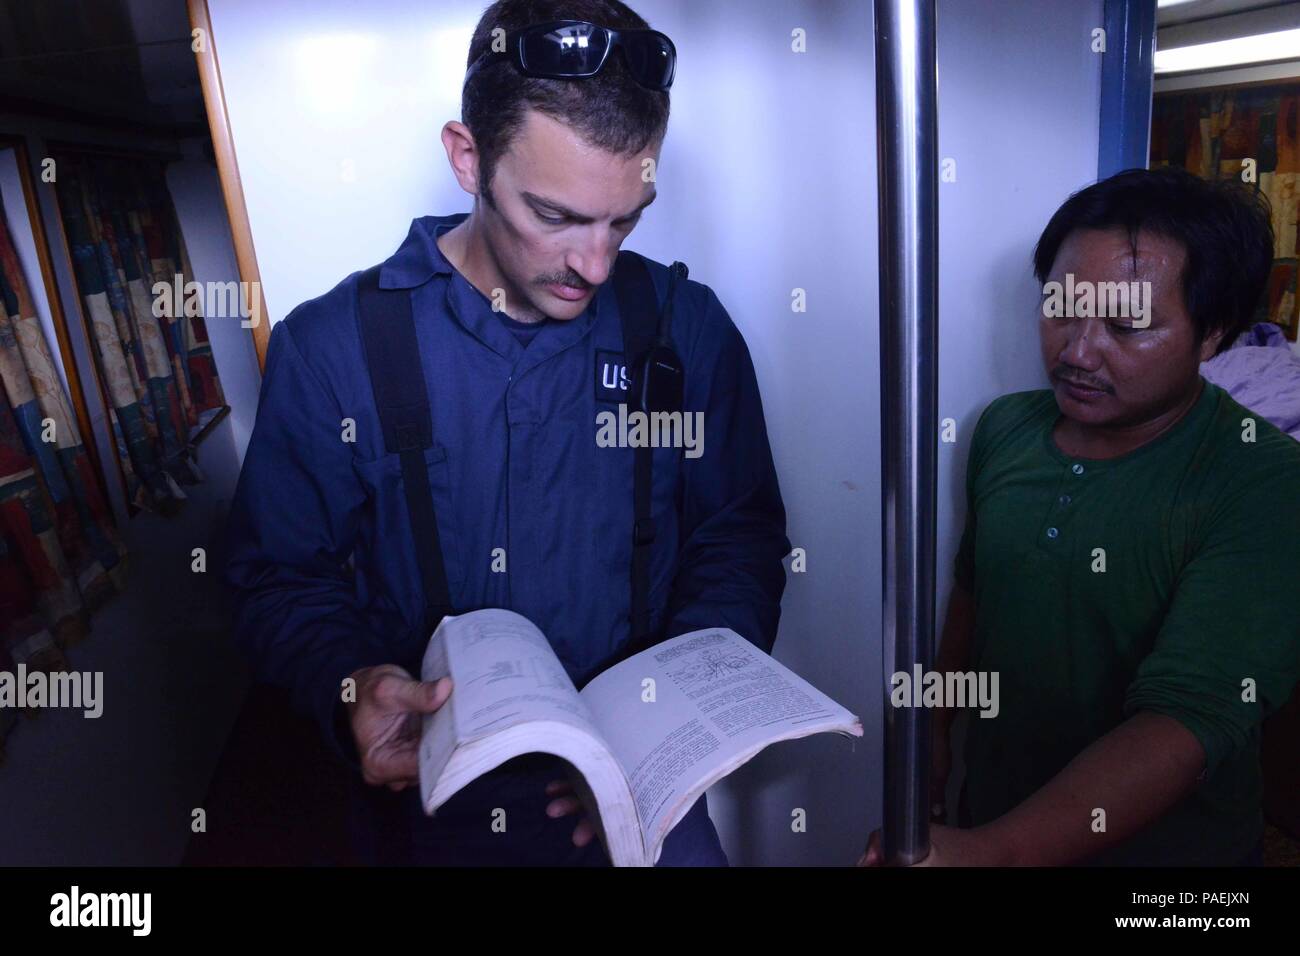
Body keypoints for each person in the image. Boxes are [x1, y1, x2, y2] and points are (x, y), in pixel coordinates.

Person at [223, 0, 789, 866]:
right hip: (432, 810)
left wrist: (665, 728)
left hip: (644, 806)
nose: (593, 265)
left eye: (626, 219)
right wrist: (351, 688)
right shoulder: (335, 348)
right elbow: (276, 576)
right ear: (467, 158)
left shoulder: (688, 330)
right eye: (556, 217)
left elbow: (738, 536)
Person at [862, 166, 1300, 866]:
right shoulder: (1006, 429)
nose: (1076, 350)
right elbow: (975, 601)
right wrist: (935, 732)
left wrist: (990, 856)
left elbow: (1185, 720)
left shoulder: (1262, 482)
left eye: (1128, 326)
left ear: (1213, 333)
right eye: (1062, 305)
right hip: (995, 815)